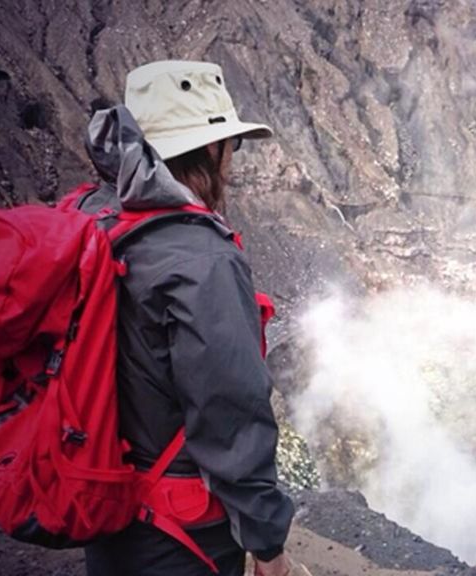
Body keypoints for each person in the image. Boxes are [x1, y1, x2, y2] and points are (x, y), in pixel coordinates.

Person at [79, 60, 308, 576]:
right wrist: (268, 547)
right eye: (233, 145)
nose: (233, 162)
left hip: (108, 513)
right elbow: (229, 415)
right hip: (180, 534)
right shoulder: (202, 259)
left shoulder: (96, 222)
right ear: (208, 149)